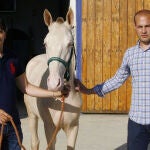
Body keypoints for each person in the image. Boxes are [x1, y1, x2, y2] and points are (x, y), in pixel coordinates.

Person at [75, 9, 150, 150]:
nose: (144, 30)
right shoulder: (130, 54)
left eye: (147, 26)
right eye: (140, 26)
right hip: (137, 122)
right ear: (135, 28)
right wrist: (89, 90)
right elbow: (117, 80)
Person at [0, 17, 70, 150]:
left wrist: (55, 92)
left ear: (5, 33)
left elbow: (26, 87)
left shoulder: (13, 58)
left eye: (0, 31)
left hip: (12, 125)